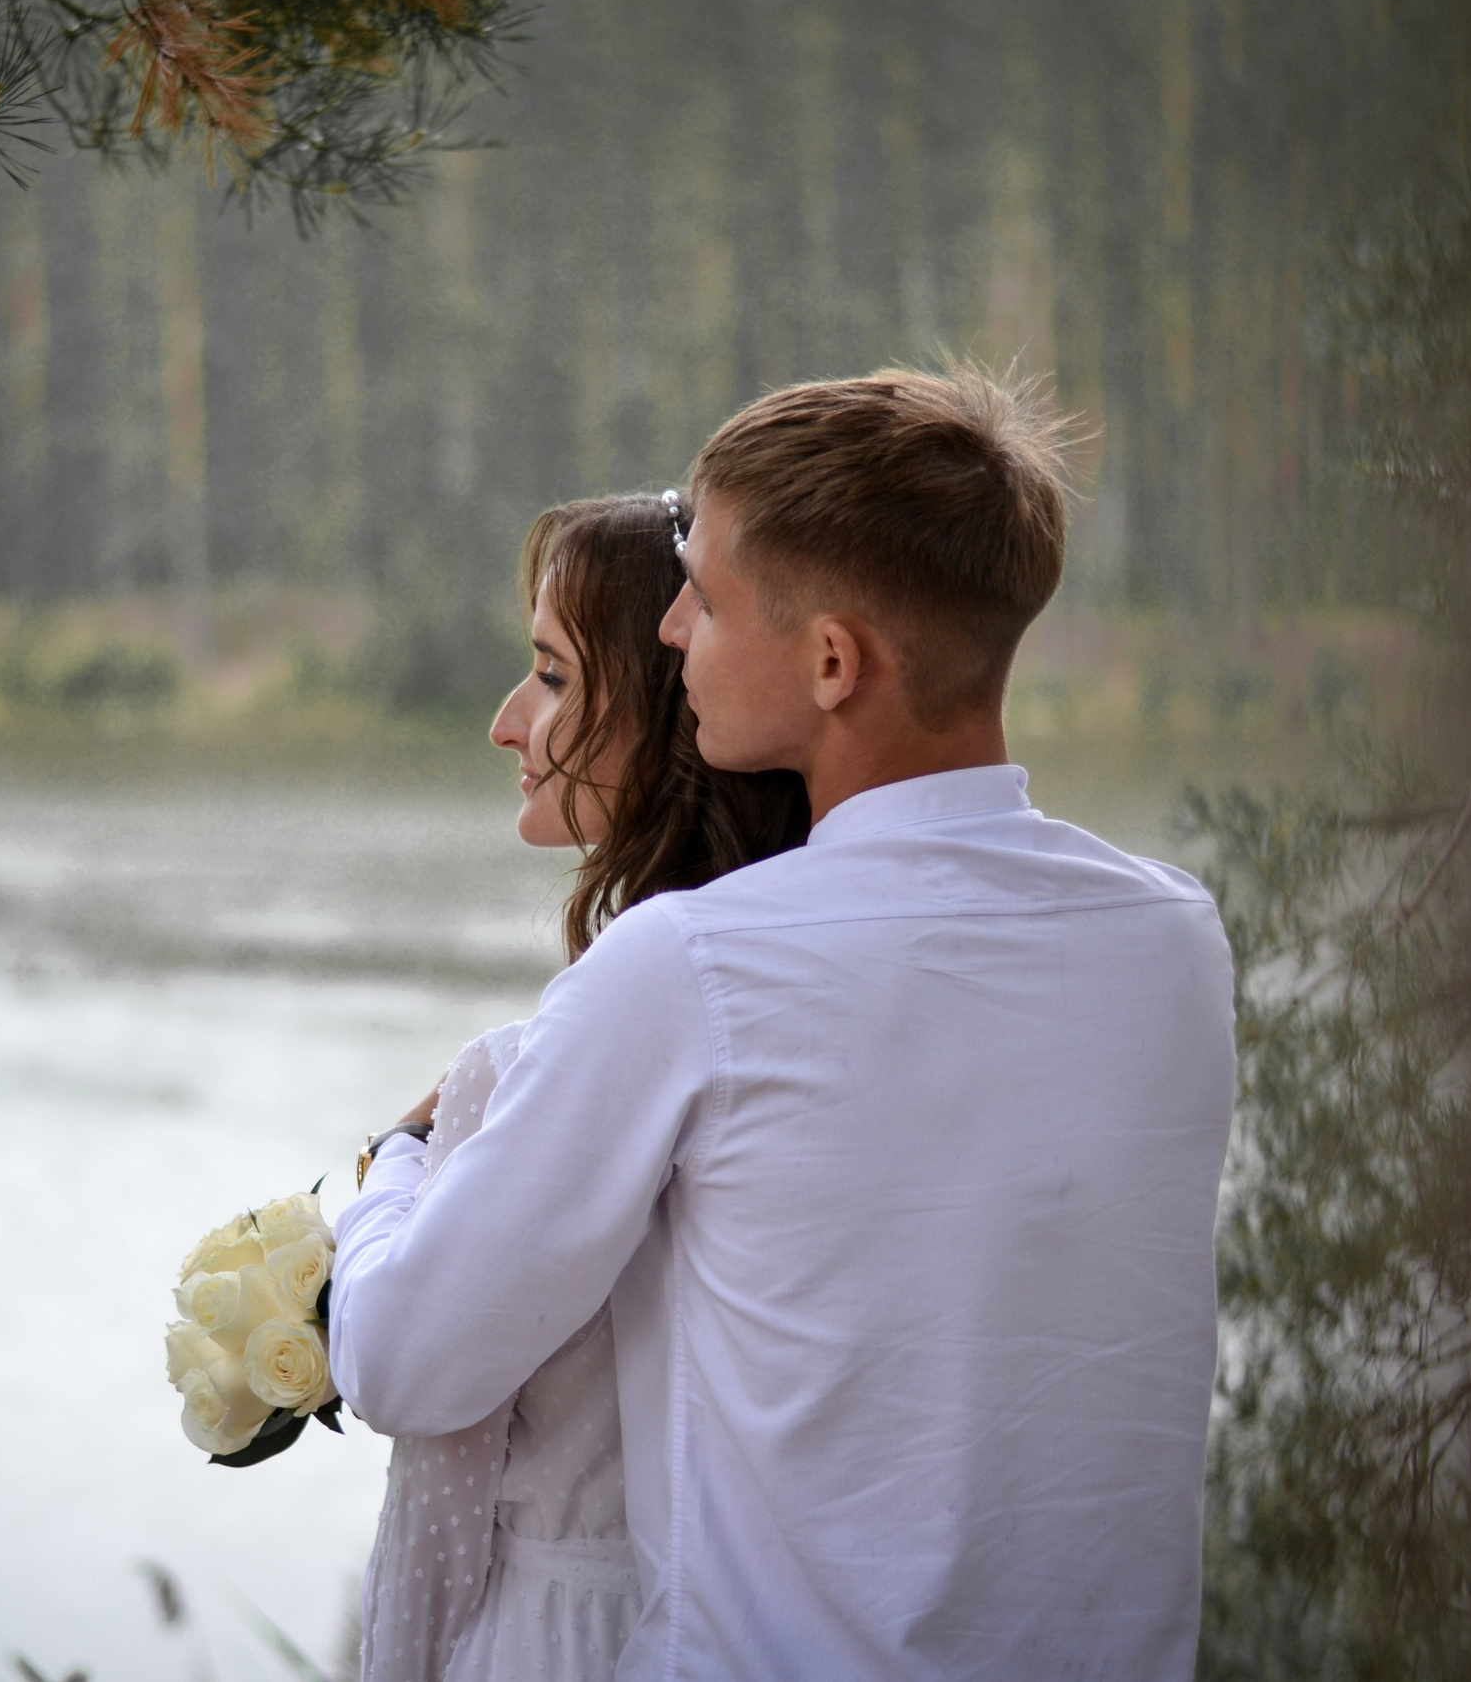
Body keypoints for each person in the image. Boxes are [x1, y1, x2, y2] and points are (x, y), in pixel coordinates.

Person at [332, 368, 1237, 1680]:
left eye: (703, 591)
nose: (674, 629)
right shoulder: (1174, 940)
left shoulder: (695, 969)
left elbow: (409, 1357)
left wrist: (390, 1166)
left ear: (831, 661)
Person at [350, 492, 807, 1682]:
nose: (508, 724)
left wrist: (389, 1171)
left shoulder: (599, 1034)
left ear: (667, 709)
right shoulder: (790, 991)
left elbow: (407, 1363)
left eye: (552, 676)